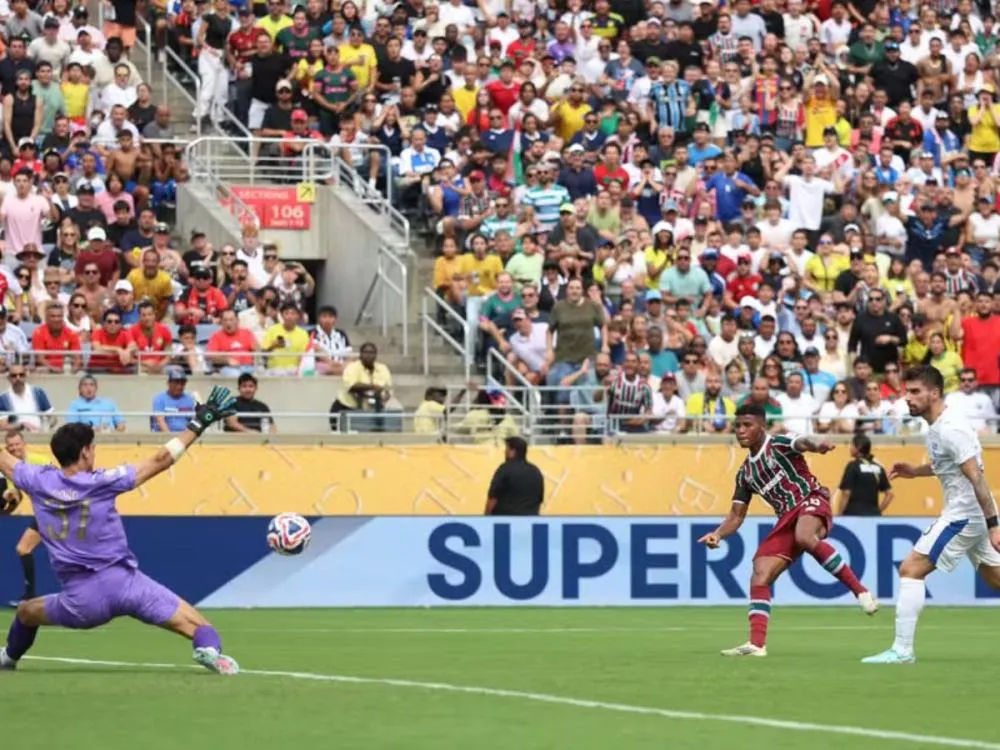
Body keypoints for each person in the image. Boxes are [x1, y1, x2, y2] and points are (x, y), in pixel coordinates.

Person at [0, 388, 241, 675]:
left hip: (81, 602)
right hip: (128, 586)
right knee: (200, 627)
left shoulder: (35, 479)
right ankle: (209, 651)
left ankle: (8, 658)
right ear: (84, 452)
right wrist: (199, 423)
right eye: (93, 447)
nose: (95, 451)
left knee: (26, 612)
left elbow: (4, 458)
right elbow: (161, 459)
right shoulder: (102, 482)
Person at [698, 402, 878, 657]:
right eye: (737, 426)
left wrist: (817, 445)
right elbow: (736, 516)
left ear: (762, 425)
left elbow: (803, 442)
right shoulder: (745, 473)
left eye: (747, 425)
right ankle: (756, 645)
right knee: (760, 573)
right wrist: (718, 534)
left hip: (811, 499)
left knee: (804, 536)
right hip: (786, 518)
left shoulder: (779, 444)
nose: (740, 430)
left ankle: (860, 591)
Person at [863, 366, 1000, 664]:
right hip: (971, 513)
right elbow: (947, 465)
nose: (907, 398)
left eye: (915, 392)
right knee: (996, 578)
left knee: (911, 568)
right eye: (906, 391)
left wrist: (994, 525)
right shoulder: (938, 426)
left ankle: (902, 650)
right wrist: (916, 471)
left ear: (934, 393)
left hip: (964, 516)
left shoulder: (951, 428)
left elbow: (976, 477)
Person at [1, 427, 49, 607]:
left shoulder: (40, 461)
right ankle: (30, 597)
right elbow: (15, 495)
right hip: (44, 512)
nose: (14, 449)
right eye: (10, 446)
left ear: (24, 444)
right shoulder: (11, 469)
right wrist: (9, 501)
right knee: (23, 549)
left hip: (57, 510)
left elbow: (56, 483)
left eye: (17, 444)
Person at [835, 434, 894, 516]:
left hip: (853, 516)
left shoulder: (852, 466)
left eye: (852, 445)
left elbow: (846, 493)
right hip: (872, 517)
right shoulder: (878, 468)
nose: (850, 447)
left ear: (858, 447)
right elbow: (889, 494)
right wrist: (877, 511)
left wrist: (840, 515)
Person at [485, 436, 544, 516]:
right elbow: (539, 499)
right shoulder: (535, 471)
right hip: (530, 519)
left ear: (512, 451)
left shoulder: (505, 469)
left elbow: (493, 498)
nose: (505, 452)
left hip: (505, 519)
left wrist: (486, 517)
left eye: (507, 449)